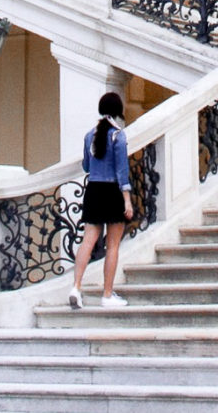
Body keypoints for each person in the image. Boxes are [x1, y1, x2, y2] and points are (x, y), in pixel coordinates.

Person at [68, 91, 134, 309]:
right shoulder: (118, 135)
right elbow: (121, 171)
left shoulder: (89, 135)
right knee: (113, 245)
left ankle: (76, 287)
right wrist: (127, 200)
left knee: (88, 240)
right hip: (112, 191)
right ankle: (107, 294)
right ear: (117, 110)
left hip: (94, 189)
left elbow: (86, 166)